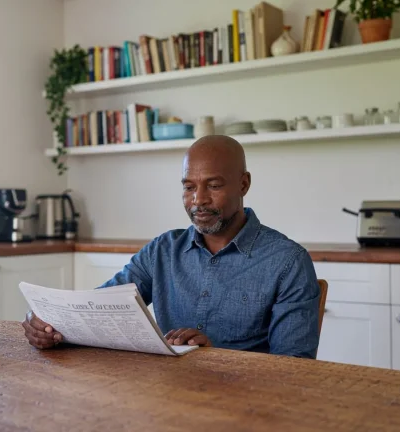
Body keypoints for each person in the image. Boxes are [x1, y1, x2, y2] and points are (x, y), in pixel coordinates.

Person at [22, 135, 321, 358]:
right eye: (189, 187)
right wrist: (48, 326)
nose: (198, 200)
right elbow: (97, 311)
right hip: (165, 396)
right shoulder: (162, 251)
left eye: (213, 186)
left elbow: (294, 368)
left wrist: (214, 354)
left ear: (243, 184)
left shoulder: (288, 262)